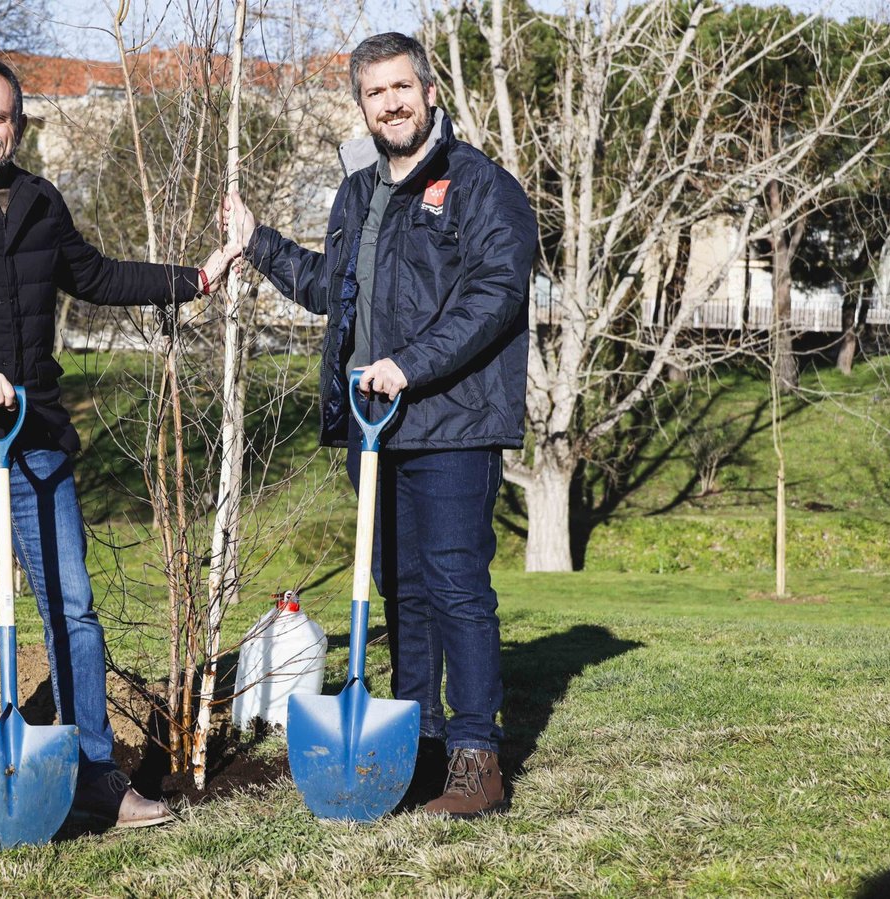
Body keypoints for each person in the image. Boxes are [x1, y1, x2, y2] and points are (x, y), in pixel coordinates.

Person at [0, 58, 240, 839]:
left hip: (30, 435)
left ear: (19, 126)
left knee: (72, 609)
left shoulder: (38, 200)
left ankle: (95, 774)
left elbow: (94, 276)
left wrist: (199, 278)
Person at [223, 32, 534, 818]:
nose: (390, 104)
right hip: (376, 425)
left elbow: (495, 294)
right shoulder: (358, 193)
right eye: (374, 92)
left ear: (429, 92)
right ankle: (418, 743)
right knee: (403, 590)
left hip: (452, 421)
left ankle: (476, 756)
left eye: (401, 87)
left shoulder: (481, 186)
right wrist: (257, 244)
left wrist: (410, 364)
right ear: (361, 105)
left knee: (456, 583)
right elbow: (333, 288)